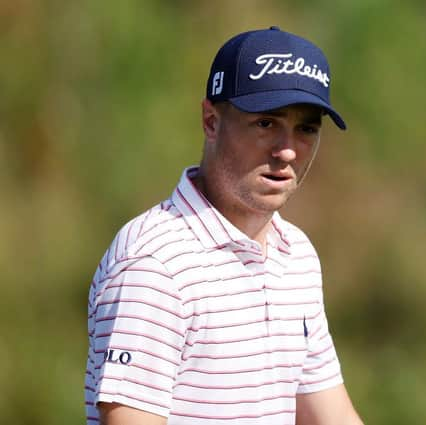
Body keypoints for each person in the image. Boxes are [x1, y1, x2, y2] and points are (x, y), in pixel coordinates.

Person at [84, 26, 364, 425]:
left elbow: (329, 416)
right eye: (266, 123)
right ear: (211, 121)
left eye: (306, 128)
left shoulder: (296, 254)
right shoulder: (154, 265)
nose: (287, 150)